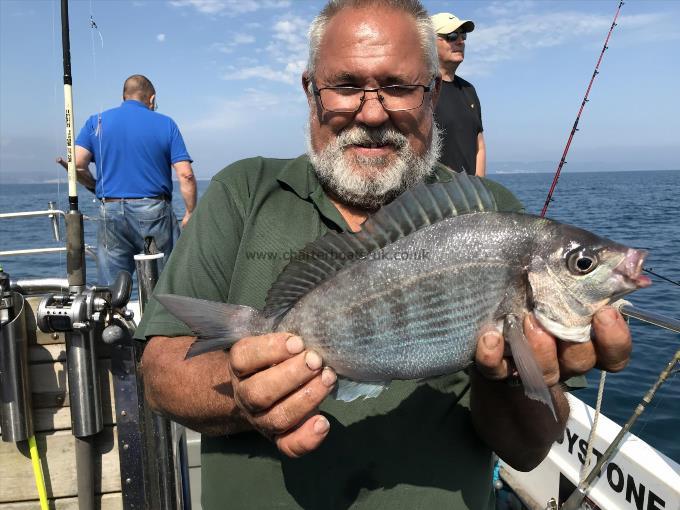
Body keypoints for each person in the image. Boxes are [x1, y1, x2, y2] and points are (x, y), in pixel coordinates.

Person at [136, 1, 632, 508]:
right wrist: (244, 396)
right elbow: (160, 373)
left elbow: (527, 452)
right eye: (346, 85)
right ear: (311, 91)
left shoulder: (493, 213)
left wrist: (524, 376)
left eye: (399, 87)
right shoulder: (243, 190)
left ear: (433, 92)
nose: (371, 113)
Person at [56, 74, 197, 285]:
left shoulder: (96, 121)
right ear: (152, 99)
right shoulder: (166, 124)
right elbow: (186, 174)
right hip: (153, 214)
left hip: (111, 213)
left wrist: (95, 186)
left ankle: (113, 316)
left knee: (111, 290)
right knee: (166, 284)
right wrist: (190, 212)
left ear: (124, 96)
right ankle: (160, 316)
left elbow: (76, 165)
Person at [431, 12, 486, 177]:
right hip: (431, 197)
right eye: (452, 36)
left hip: (467, 198)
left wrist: (478, 187)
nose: (460, 41)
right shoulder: (421, 88)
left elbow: (479, 145)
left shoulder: (469, 90)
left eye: (463, 36)